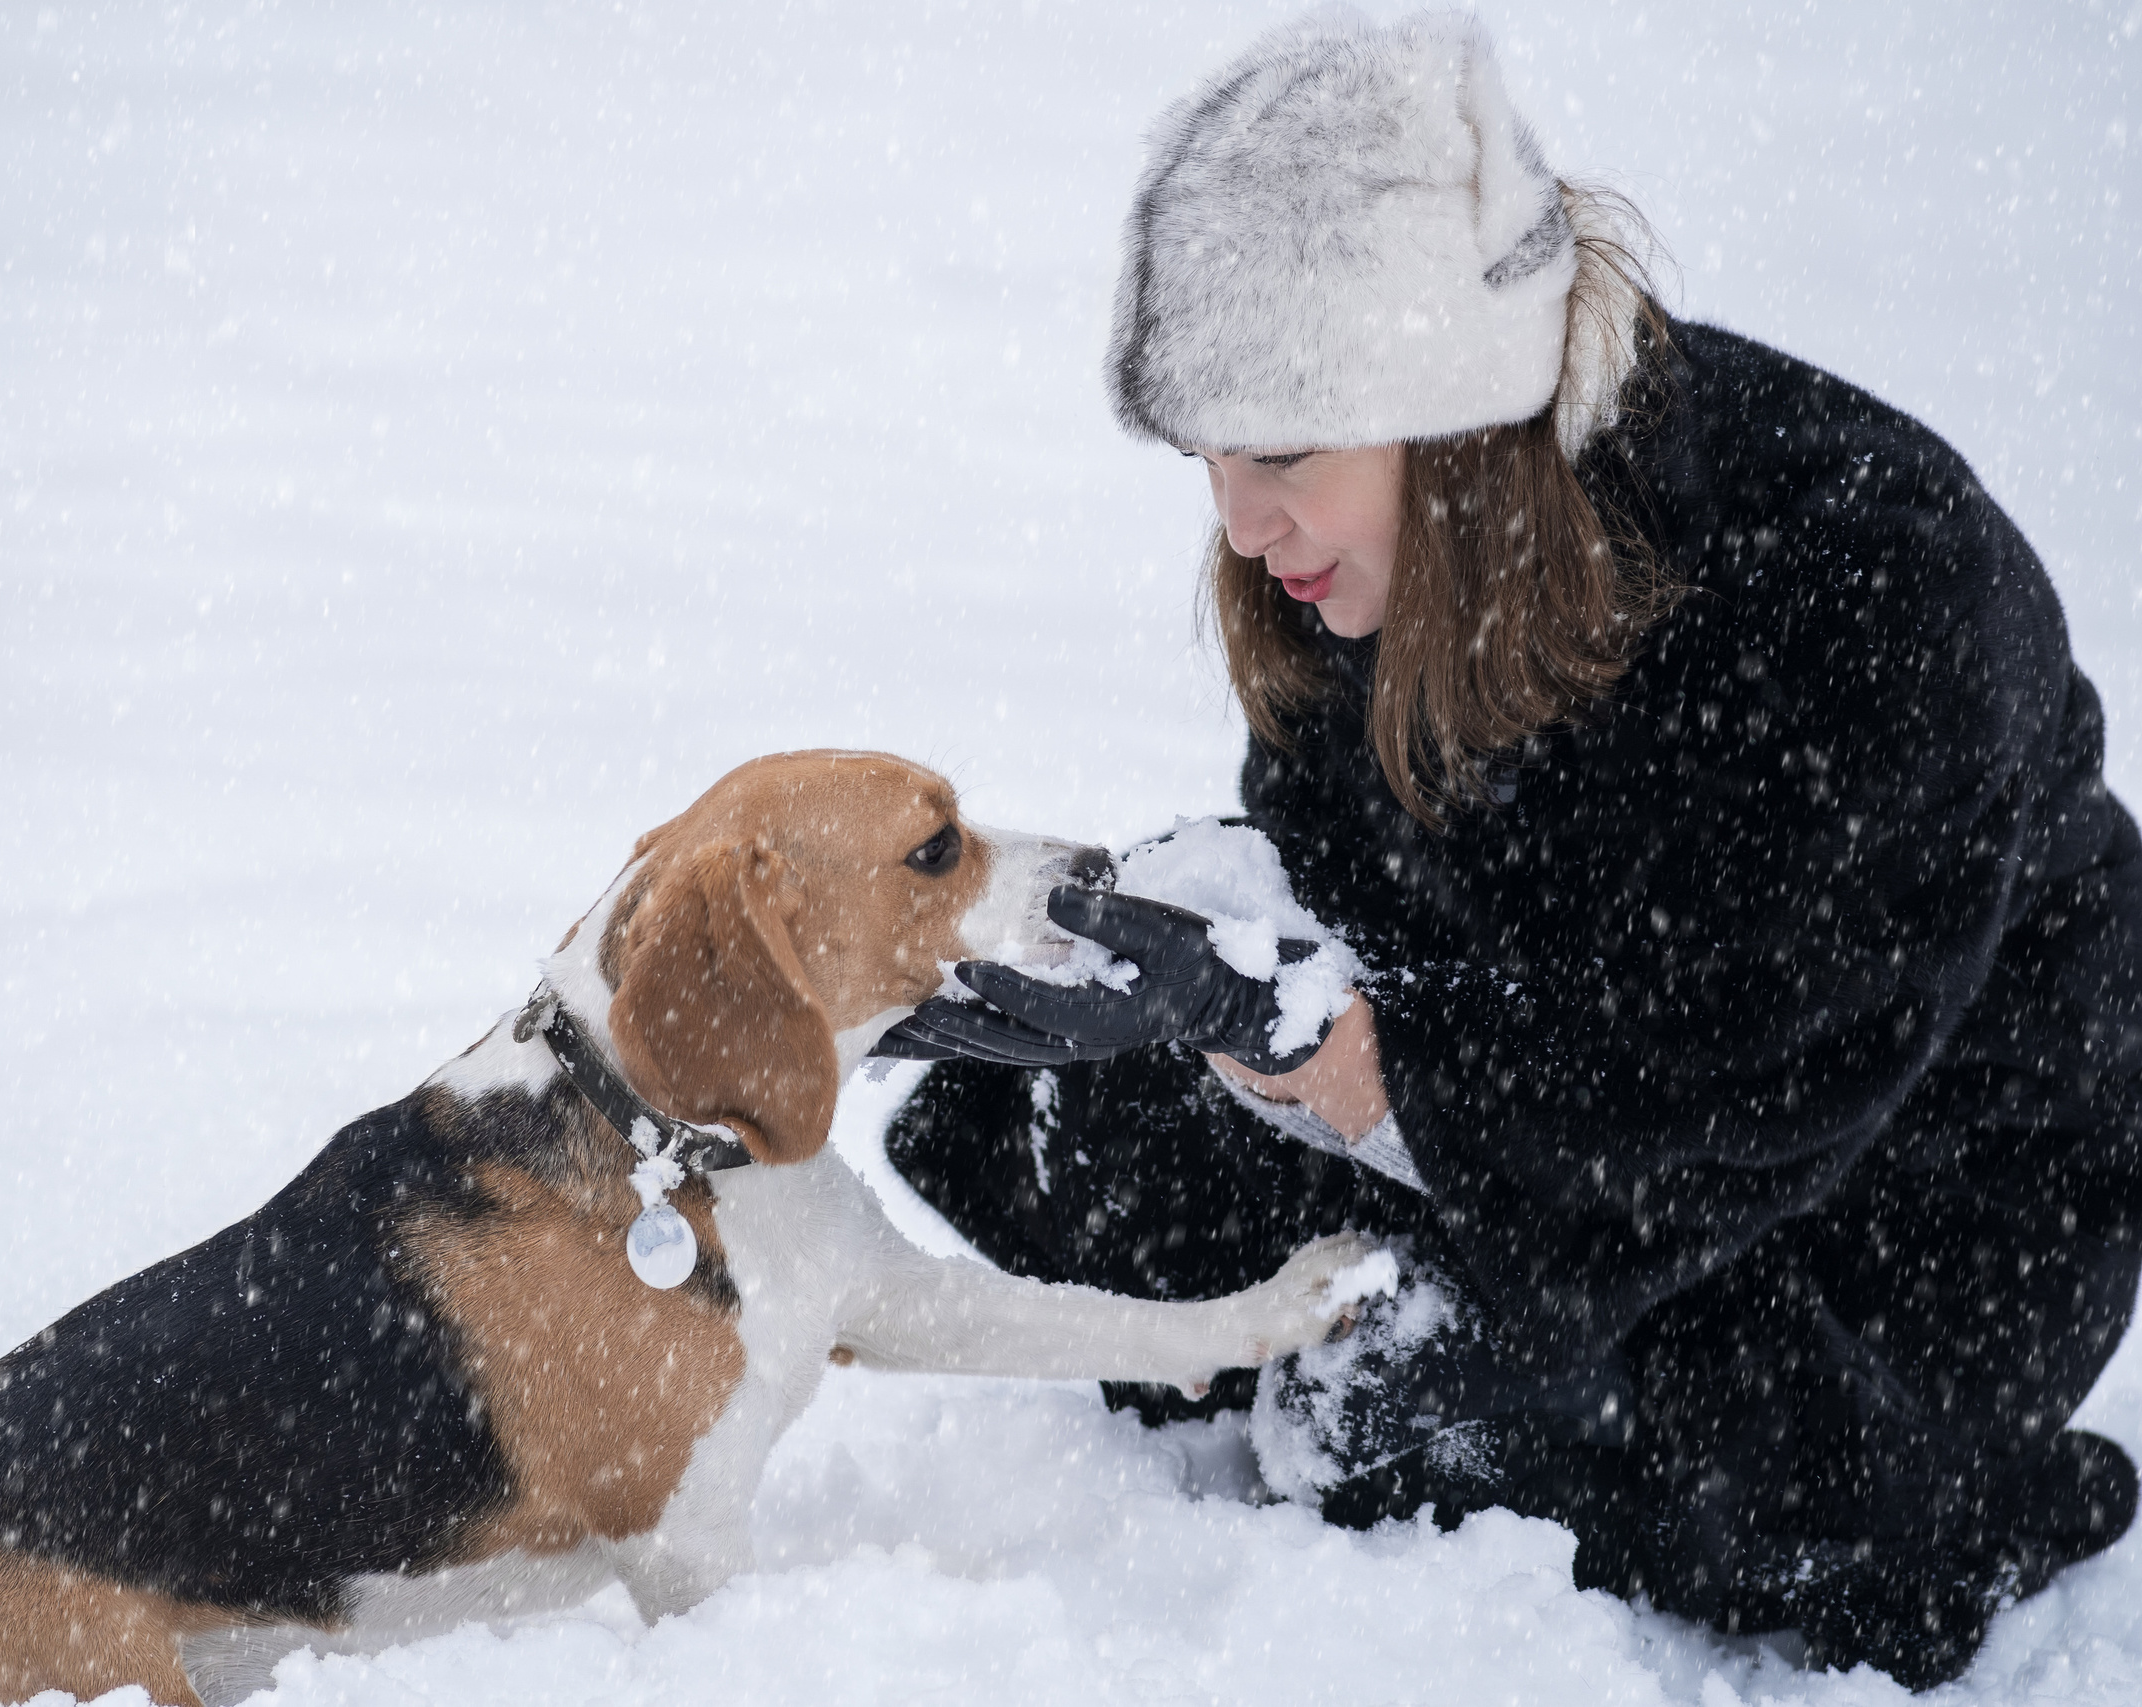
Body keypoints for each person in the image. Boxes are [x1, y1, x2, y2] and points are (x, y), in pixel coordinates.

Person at [870, 10, 2141, 1689]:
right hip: (1567, 1098)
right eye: (1214, 467)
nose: (1241, 529)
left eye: (1277, 457)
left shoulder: (1872, 577)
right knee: (1119, 1162)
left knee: (1402, 1416)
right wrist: (1231, 960)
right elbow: (1358, 905)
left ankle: (1934, 1508)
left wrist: (1384, 1084)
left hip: (1920, 1214)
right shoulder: (1379, 563)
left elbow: (1749, 1099)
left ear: (1448, 408)